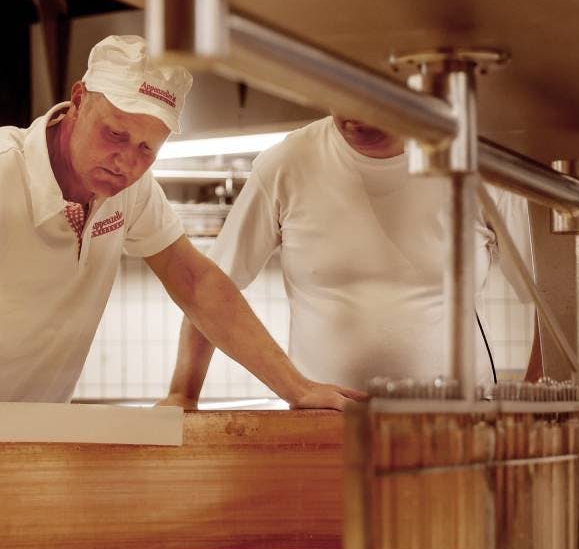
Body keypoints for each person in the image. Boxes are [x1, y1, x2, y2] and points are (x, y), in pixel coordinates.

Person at [0, 36, 365, 491]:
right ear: (78, 99)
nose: (127, 162)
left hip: (35, 436)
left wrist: (296, 388)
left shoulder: (129, 192)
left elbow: (196, 281)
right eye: (115, 134)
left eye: (146, 149)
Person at [160, 114, 542, 409]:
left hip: (461, 425)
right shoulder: (287, 164)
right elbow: (208, 287)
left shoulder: (479, 166)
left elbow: (553, 302)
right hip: (324, 429)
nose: (355, 116)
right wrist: (183, 394)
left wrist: (533, 398)